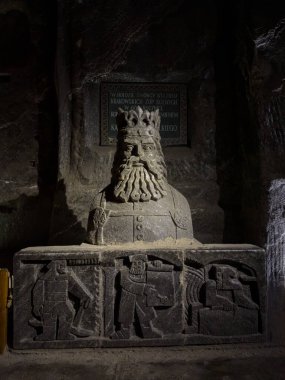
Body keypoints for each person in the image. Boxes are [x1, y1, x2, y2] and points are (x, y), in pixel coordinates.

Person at [87, 106, 194, 245]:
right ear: (119, 154)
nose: (138, 154)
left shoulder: (180, 203)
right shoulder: (100, 203)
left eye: (147, 147)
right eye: (129, 148)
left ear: (158, 154)